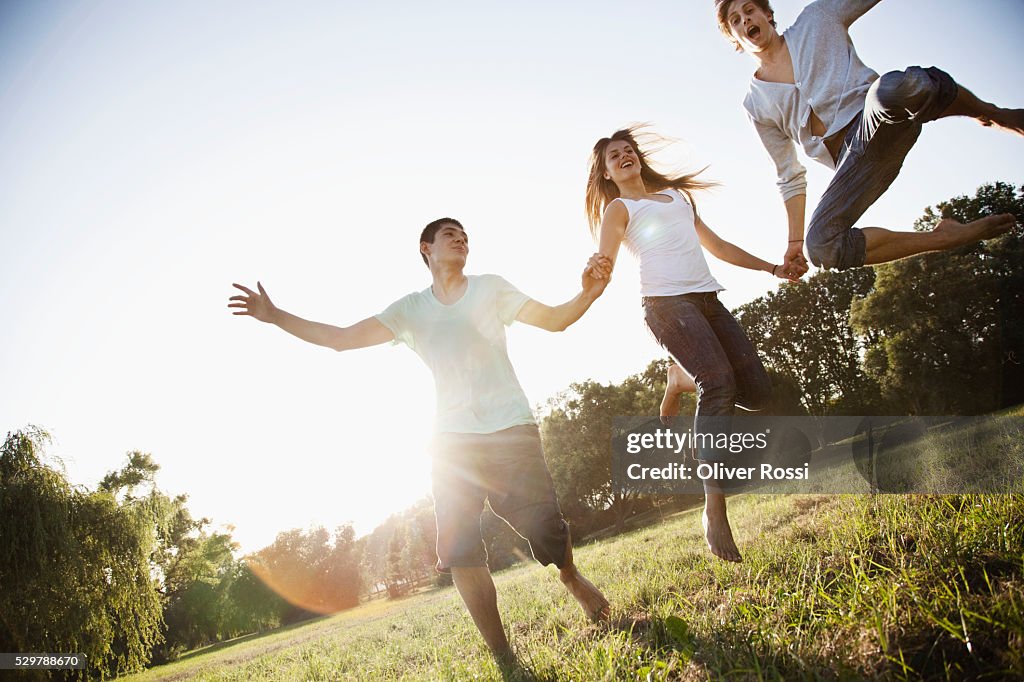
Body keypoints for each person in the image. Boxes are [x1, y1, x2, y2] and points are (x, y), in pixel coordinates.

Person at [229, 218, 610, 669]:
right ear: (425, 248)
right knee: (460, 545)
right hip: (451, 444)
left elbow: (554, 319)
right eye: (450, 234)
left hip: (511, 429)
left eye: (466, 234)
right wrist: (276, 317)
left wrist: (588, 292)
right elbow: (341, 339)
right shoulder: (411, 310)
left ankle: (570, 575)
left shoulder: (491, 289)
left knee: (545, 525)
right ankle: (503, 655)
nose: (461, 239)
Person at [585, 127, 791, 562]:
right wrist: (596, 268)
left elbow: (717, 246)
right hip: (665, 305)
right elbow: (606, 260)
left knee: (755, 391)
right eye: (613, 156)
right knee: (719, 385)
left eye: (628, 150)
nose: (624, 156)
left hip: (707, 301)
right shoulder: (619, 208)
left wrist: (772, 268)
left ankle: (681, 375)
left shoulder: (677, 198)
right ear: (606, 173)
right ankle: (714, 509)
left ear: (637, 158)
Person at [715, 0, 1020, 275]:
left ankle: (989, 113)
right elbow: (789, 175)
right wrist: (795, 240)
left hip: (880, 114)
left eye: (749, 10)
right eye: (736, 20)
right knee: (820, 245)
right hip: (857, 166)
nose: (745, 20)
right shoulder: (755, 104)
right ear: (734, 39)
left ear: (767, 14)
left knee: (893, 88)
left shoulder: (816, 18)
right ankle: (944, 237)